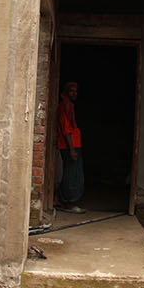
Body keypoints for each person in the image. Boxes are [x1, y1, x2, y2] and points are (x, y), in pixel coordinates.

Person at [56, 79, 85, 212]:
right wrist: (72, 149)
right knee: (70, 175)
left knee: (74, 173)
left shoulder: (70, 107)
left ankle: (68, 200)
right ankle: (68, 202)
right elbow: (66, 130)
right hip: (68, 147)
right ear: (66, 92)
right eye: (71, 91)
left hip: (74, 145)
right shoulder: (64, 107)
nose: (74, 93)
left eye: (75, 91)